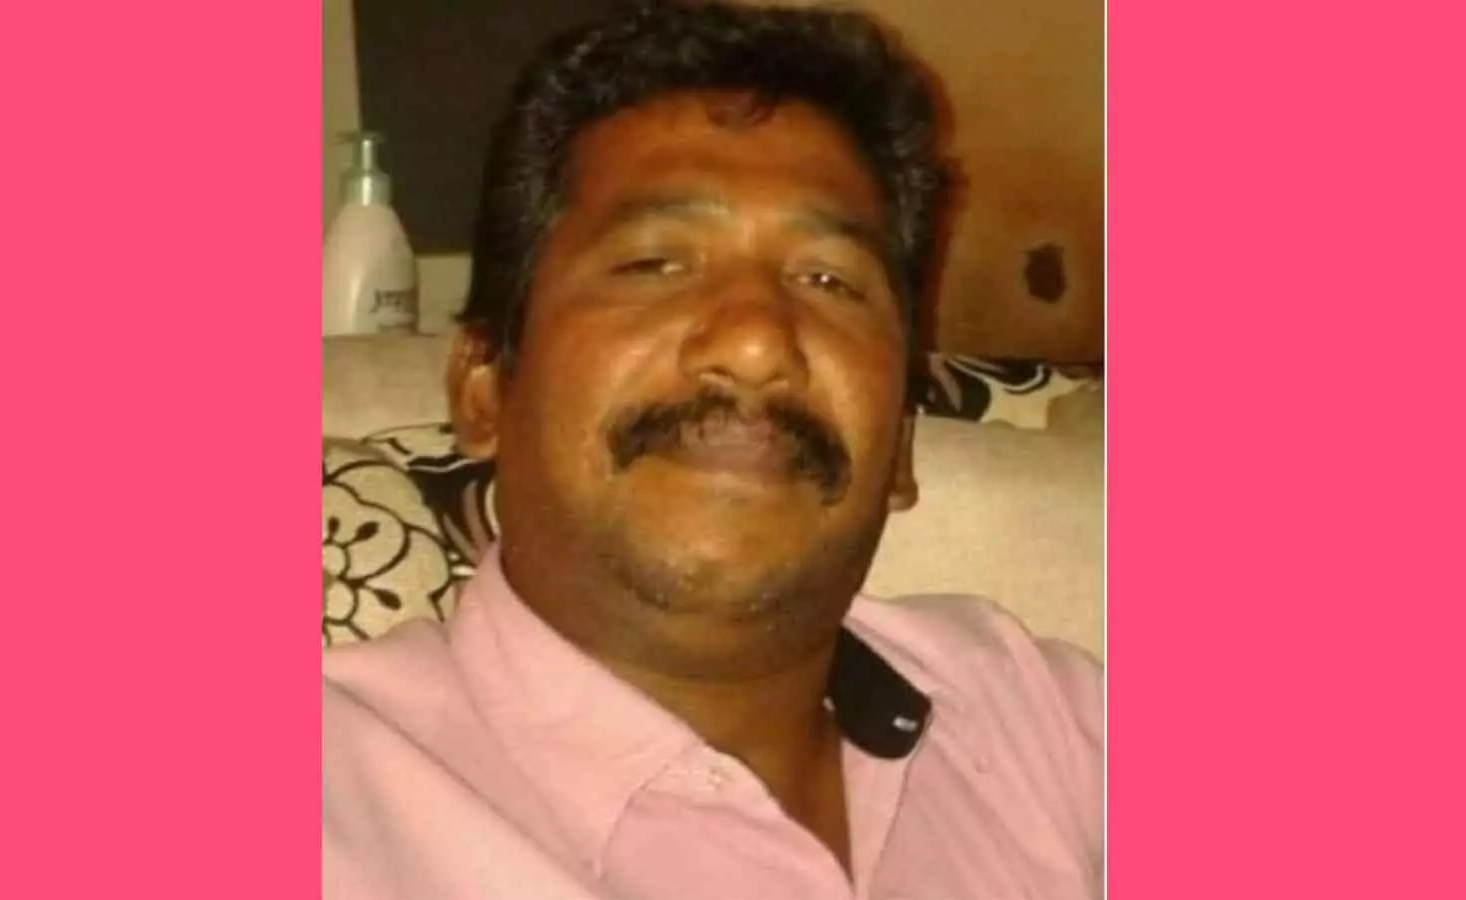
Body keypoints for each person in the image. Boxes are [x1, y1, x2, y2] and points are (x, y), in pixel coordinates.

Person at [322, 2, 1103, 898]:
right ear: (486, 387)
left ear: (899, 446)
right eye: (654, 264)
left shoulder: (1045, 726)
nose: (757, 340)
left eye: (829, 280)